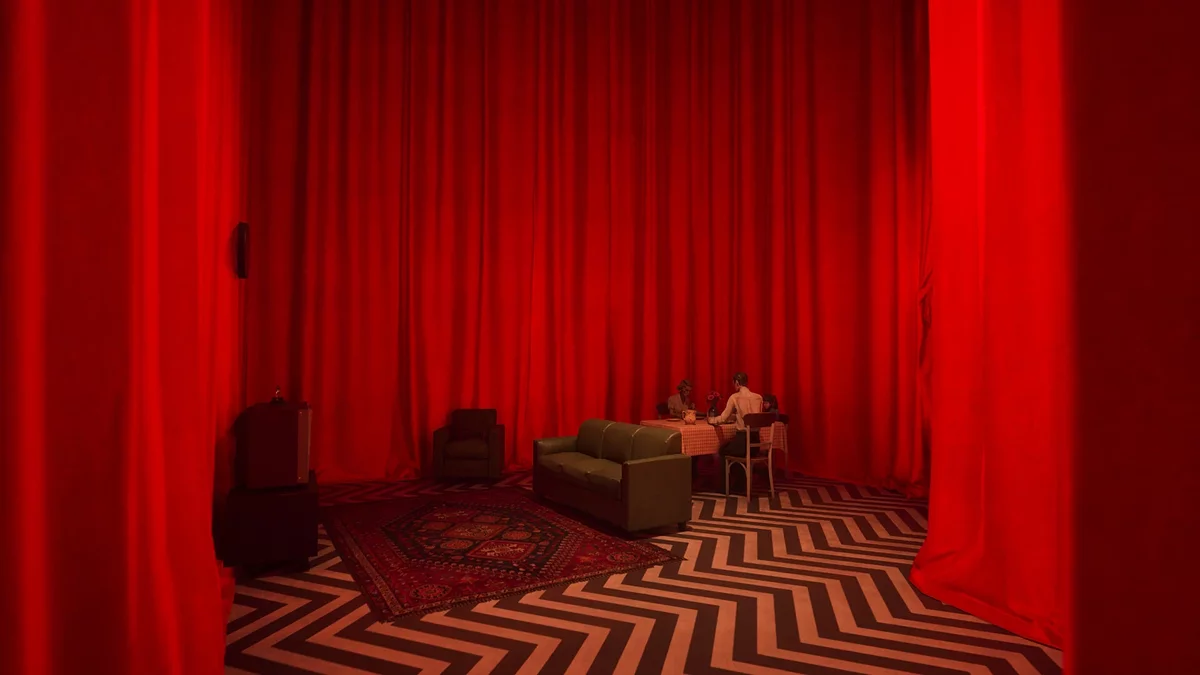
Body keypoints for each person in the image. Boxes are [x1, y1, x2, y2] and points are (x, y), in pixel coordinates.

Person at [710, 372, 764, 490]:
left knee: (723, 450)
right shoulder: (758, 397)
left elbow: (723, 418)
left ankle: (724, 487)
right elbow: (753, 417)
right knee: (735, 450)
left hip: (742, 442)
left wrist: (711, 420)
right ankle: (740, 484)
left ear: (737, 383)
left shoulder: (735, 397)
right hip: (755, 444)